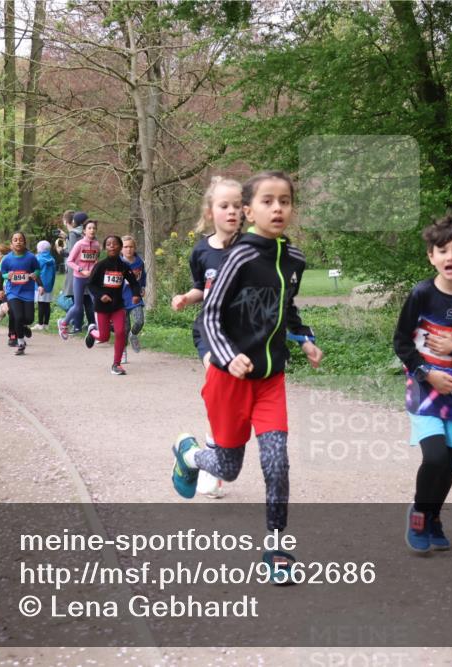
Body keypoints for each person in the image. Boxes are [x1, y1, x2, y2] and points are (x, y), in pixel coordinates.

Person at [170, 171, 323, 583]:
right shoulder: (236, 257)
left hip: (270, 378)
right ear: (249, 209)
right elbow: (211, 315)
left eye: (285, 201)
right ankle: (187, 454)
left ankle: (276, 547)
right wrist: (228, 355)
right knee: (228, 466)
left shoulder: (295, 260)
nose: (278, 208)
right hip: (229, 378)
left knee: (277, 463)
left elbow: (287, 309)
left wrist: (305, 339)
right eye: (268, 201)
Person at [393, 215, 452, 553]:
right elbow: (400, 342)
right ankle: (419, 513)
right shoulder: (422, 294)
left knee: (451, 462)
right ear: (431, 256)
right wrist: (427, 373)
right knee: (436, 457)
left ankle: (435, 516)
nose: (450, 257)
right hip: (425, 392)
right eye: (442, 250)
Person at [172, 176, 244, 369]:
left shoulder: (252, 249)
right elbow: (201, 288)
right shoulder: (200, 251)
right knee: (216, 371)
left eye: (237, 206)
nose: (231, 211)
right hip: (210, 328)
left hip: (244, 331)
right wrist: (185, 298)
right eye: (224, 206)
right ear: (209, 213)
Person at [83, 235, 140, 375]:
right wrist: (101, 295)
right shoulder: (100, 265)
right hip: (102, 307)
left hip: (117, 305)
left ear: (120, 247)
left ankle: (116, 364)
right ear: (105, 247)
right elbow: (91, 284)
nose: (112, 246)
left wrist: (136, 294)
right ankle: (91, 332)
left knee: (121, 332)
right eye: (109, 244)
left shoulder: (124, 267)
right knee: (104, 337)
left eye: (115, 244)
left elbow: (134, 282)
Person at [0, 232, 43, 355]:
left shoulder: (31, 257)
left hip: (27, 292)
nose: (18, 242)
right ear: (11, 243)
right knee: (17, 316)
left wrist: (37, 279)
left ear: (24, 242)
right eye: (15, 240)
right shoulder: (7, 259)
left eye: (20, 240)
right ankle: (21, 342)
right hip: (13, 292)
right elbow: (2, 274)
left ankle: (22, 326)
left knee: (28, 319)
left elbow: (37, 270)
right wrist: (7, 277)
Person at [59, 219, 99, 340]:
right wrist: (81, 270)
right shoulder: (79, 244)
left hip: (91, 279)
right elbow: (70, 261)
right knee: (78, 306)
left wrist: (94, 269)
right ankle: (63, 323)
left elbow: (95, 260)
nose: (92, 230)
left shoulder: (97, 245)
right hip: (79, 278)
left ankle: (98, 331)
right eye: (89, 228)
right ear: (84, 231)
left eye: (94, 228)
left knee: (96, 303)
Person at [119, 235, 145, 362]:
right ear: (121, 249)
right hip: (121, 300)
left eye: (131, 247)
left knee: (139, 321)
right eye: (125, 247)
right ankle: (122, 351)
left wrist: (143, 286)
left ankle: (133, 335)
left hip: (135, 298)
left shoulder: (139, 262)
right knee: (125, 328)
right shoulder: (117, 263)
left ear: (134, 248)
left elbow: (143, 276)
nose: (128, 249)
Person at [35, 240, 57, 330]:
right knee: (47, 304)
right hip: (49, 285)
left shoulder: (38, 258)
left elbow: (36, 272)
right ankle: (46, 324)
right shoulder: (52, 259)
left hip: (40, 285)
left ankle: (40, 324)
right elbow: (54, 273)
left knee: (41, 304)